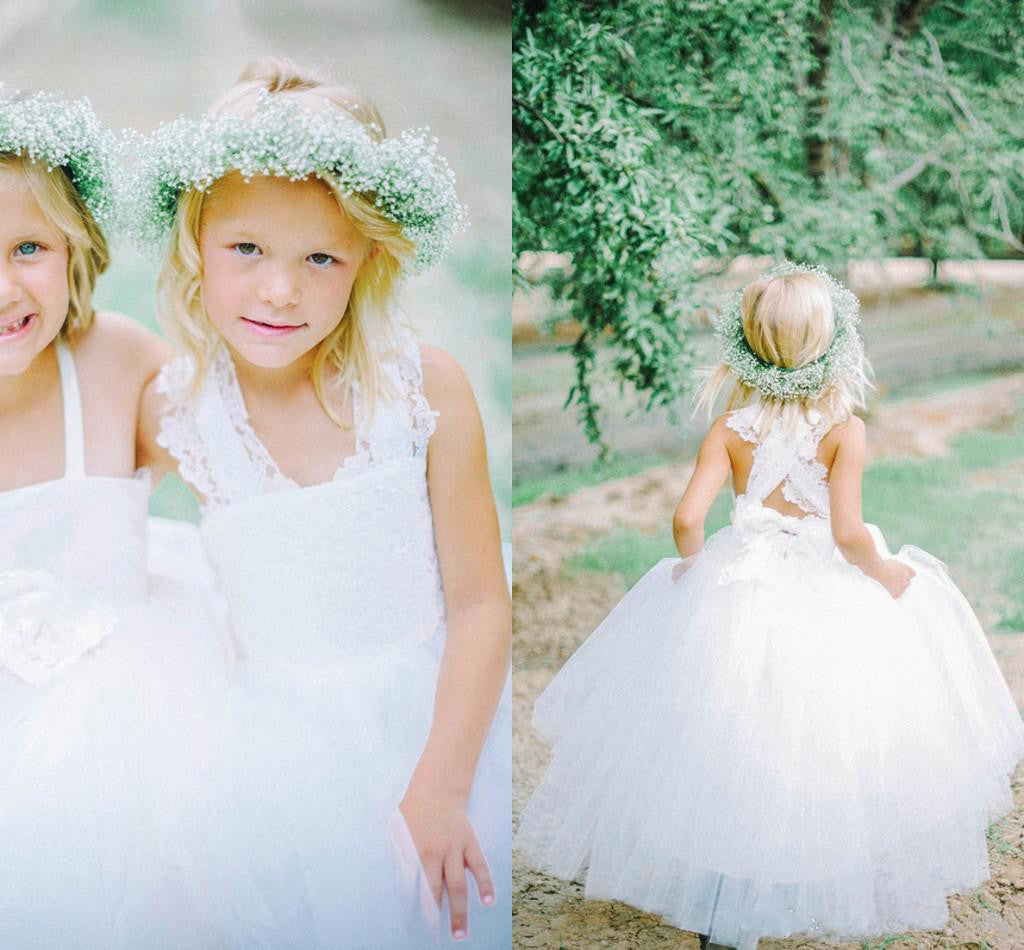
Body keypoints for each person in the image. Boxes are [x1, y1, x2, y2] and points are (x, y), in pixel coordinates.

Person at [514, 262, 1024, 949]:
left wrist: (695, 569)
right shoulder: (844, 430)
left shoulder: (730, 429)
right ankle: (786, 882)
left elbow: (687, 519)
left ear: (748, 343)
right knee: (817, 738)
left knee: (725, 735)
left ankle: (724, 904)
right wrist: (886, 573)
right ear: (832, 343)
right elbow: (846, 535)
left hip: (738, 584)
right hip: (819, 587)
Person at [135, 59, 512, 948]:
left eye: (319, 258)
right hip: (272, 766)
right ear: (196, 243)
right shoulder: (176, 409)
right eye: (247, 250)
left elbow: (482, 602)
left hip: (430, 738)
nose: (279, 290)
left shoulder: (422, 392)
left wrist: (442, 784)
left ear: (367, 257)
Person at [0, 89, 231, 947]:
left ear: (76, 252)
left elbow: (241, 466)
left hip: (135, 708)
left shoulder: (116, 360)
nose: (4, 286)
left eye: (28, 248)